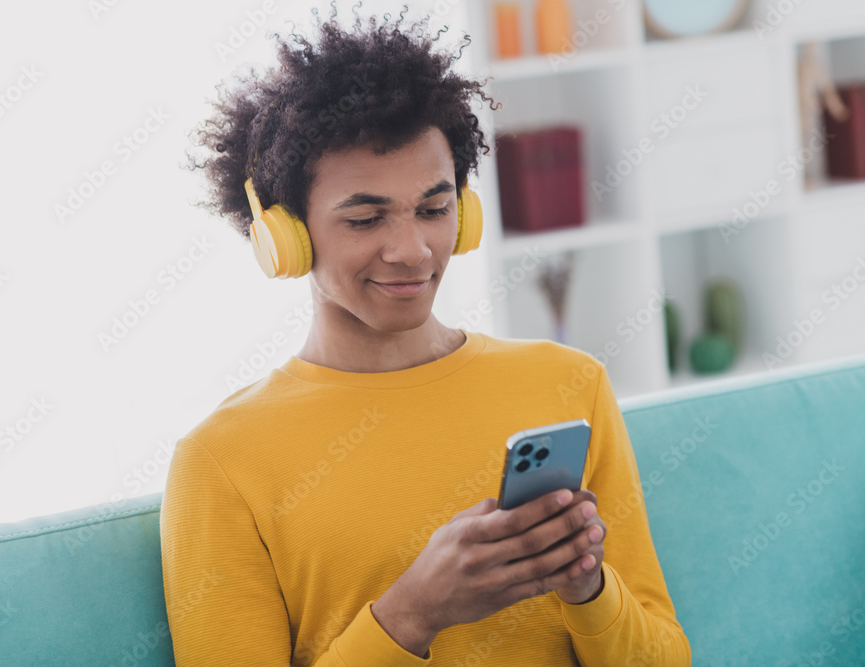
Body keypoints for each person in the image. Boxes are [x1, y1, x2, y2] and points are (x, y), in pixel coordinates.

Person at [160, 4, 691, 665]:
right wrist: (413, 611)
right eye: (365, 219)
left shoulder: (568, 383)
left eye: (433, 209)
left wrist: (587, 588)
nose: (411, 250)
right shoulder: (220, 462)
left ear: (464, 215)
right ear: (285, 237)